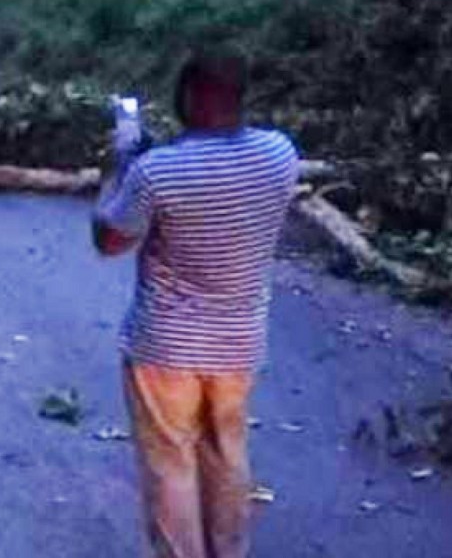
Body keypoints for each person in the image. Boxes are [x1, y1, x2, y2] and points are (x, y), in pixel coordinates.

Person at [92, 51, 300, 558]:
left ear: (190, 95)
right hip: (238, 345)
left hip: (165, 348)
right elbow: (217, 175)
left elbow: (110, 240)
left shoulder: (155, 172)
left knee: (170, 462)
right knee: (227, 454)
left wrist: (118, 170)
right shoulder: (280, 153)